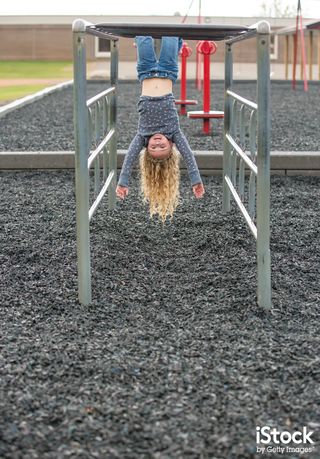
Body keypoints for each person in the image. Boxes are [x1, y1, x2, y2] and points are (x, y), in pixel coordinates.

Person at [116, 35, 205, 221]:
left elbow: (130, 158)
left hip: (146, 71)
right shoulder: (174, 132)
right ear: (171, 144)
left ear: (146, 146)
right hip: (168, 71)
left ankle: (165, 43)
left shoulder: (142, 135)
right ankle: (177, 43)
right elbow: (188, 155)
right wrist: (196, 180)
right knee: (170, 36)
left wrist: (123, 182)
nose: (157, 143)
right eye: (161, 147)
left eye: (153, 148)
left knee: (144, 38)